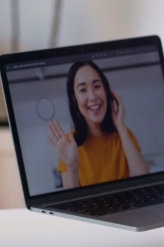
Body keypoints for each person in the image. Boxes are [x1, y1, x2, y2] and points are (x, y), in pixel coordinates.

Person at [47, 60, 150, 189]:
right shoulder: (68, 145)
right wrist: (72, 166)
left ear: (106, 91)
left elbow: (145, 182)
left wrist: (121, 127)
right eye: (83, 90)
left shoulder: (123, 134)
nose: (92, 96)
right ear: (74, 99)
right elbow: (72, 206)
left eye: (97, 86)